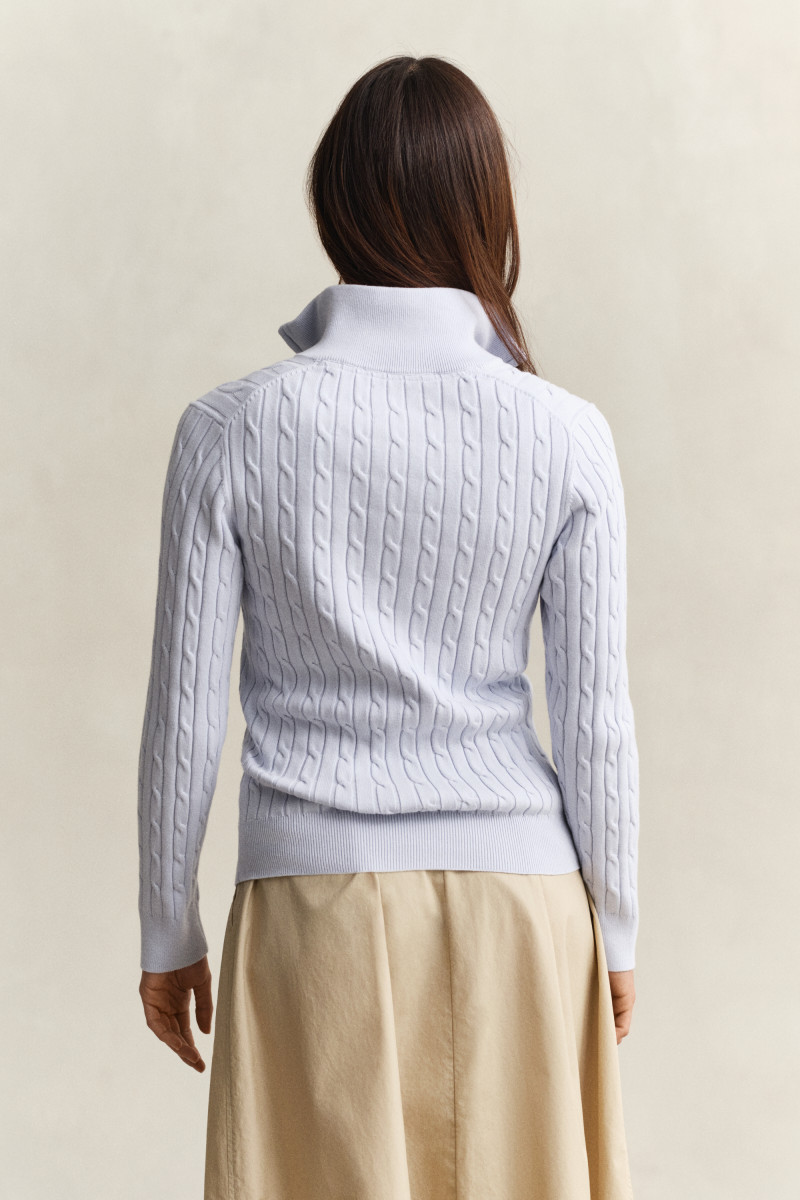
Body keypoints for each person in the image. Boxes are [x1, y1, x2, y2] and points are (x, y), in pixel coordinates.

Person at [137, 53, 640, 1200]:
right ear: (487, 208)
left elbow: (181, 714)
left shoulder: (231, 428)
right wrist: (612, 928)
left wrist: (167, 931)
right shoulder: (566, 434)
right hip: (522, 911)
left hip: (312, 906)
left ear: (335, 203)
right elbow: (595, 719)